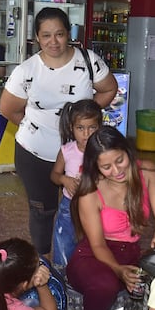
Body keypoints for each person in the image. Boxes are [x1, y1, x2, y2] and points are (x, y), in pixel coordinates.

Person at [0, 7, 118, 261]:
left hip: (82, 152)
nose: (53, 42)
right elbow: (8, 109)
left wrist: (86, 119)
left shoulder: (88, 61)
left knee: (82, 206)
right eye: (46, 36)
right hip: (35, 153)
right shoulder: (27, 71)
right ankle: (42, 265)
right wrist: (36, 126)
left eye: (60, 34)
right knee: (42, 211)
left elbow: (109, 90)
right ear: (37, 38)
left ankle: (82, 261)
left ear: (69, 34)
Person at [65, 125, 155, 310]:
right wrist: (119, 271)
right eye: (106, 167)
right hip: (93, 256)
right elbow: (98, 245)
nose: (116, 170)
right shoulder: (90, 192)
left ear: (127, 152)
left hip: (129, 253)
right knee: (105, 283)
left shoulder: (147, 173)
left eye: (120, 160)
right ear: (95, 167)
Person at [49, 99, 103, 269]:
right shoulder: (67, 150)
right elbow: (54, 175)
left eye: (92, 127)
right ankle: (63, 276)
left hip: (97, 206)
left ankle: (89, 273)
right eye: (80, 128)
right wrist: (65, 179)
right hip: (69, 207)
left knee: (94, 242)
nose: (86, 133)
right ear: (72, 128)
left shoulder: (103, 151)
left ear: (99, 127)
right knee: (64, 240)